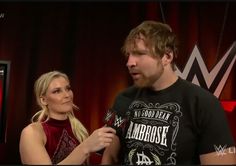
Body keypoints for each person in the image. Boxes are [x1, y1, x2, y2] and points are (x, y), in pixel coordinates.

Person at [101, 20, 236, 165]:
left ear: (167, 56)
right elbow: (109, 158)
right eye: (129, 55)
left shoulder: (203, 103)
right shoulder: (123, 99)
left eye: (140, 53)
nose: (130, 62)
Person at [19, 70, 116, 165]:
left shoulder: (79, 130)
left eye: (68, 89)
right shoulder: (32, 132)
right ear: (44, 100)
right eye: (57, 91)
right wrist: (85, 147)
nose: (67, 95)